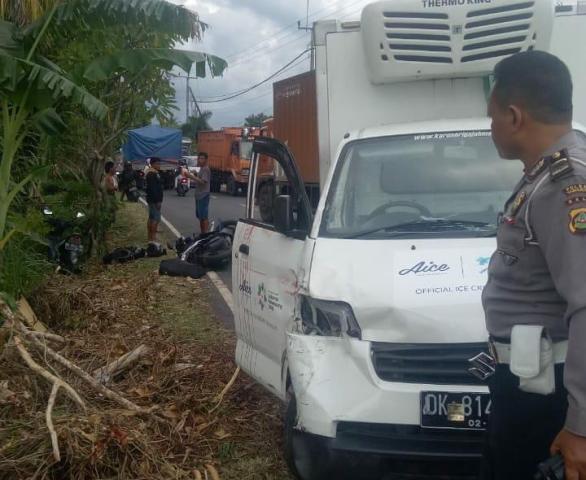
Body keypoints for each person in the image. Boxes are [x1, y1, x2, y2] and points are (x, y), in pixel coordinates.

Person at [482, 50, 586, 480]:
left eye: (491, 118)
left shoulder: (565, 186)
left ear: (513, 115)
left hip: (550, 396)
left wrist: (580, 427)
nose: (491, 128)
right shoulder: (542, 177)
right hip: (529, 383)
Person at [183, 152, 211, 234]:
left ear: (206, 160)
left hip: (203, 195)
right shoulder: (202, 168)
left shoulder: (205, 169)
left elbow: (203, 182)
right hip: (199, 195)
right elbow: (200, 178)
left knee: (204, 216)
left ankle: (205, 233)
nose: (200, 160)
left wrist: (191, 176)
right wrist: (195, 173)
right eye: (199, 158)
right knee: (200, 216)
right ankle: (203, 232)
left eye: (202, 158)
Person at [145, 157, 164, 242]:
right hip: (154, 200)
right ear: (152, 164)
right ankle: (153, 237)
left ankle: (150, 237)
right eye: (157, 164)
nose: (159, 165)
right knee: (155, 219)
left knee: (151, 218)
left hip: (151, 199)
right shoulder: (152, 174)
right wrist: (157, 201)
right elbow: (153, 189)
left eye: (159, 163)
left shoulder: (152, 172)